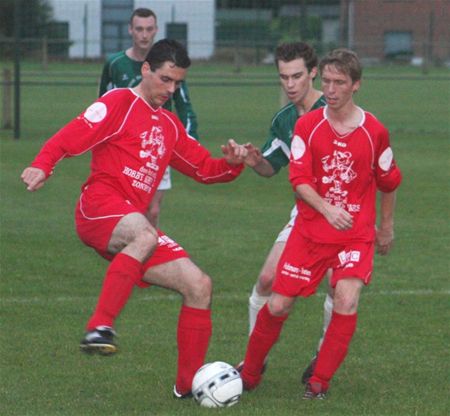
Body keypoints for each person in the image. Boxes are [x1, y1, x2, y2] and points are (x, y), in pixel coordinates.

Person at [21, 39, 248, 398]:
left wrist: (233, 165)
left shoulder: (170, 125)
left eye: (177, 83)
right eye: (165, 79)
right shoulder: (118, 103)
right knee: (145, 234)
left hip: (132, 224)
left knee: (199, 285)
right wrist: (42, 164)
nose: (170, 89)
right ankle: (100, 327)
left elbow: (204, 169)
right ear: (145, 69)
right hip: (98, 208)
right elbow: (71, 135)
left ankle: (187, 386)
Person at [238, 48, 402, 399]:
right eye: (326, 81)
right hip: (311, 231)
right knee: (279, 303)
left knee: (346, 298)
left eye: (339, 82)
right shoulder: (307, 126)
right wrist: (327, 209)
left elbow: (389, 183)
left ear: (356, 85)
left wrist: (386, 227)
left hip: (355, 236)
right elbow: (298, 179)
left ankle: (318, 382)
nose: (330, 89)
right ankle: (250, 373)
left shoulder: (375, 132)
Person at [241, 42, 331, 380]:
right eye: (283, 77)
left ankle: (323, 357)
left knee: (339, 288)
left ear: (312, 73)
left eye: (297, 76)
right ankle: (254, 360)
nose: (290, 84)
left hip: (341, 215)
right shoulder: (284, 120)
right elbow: (271, 167)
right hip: (305, 215)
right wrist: (255, 161)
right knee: (266, 279)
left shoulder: (333, 108)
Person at [99, 7, 199, 227]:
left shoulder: (168, 65)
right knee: (127, 209)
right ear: (130, 30)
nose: (144, 34)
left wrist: (190, 142)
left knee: (152, 211)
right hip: (124, 147)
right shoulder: (115, 64)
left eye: (149, 29)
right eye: (139, 29)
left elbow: (185, 107)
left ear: (156, 30)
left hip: (156, 145)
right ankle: (131, 252)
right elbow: (103, 105)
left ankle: (147, 256)